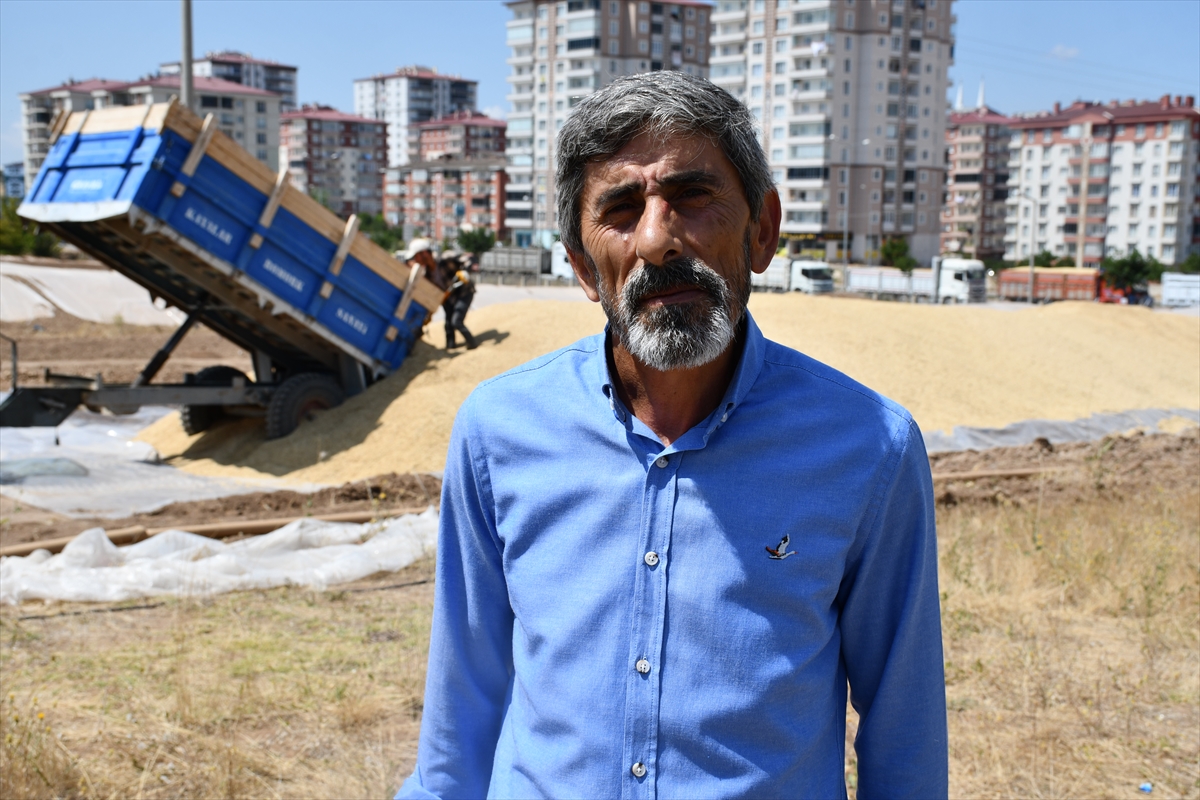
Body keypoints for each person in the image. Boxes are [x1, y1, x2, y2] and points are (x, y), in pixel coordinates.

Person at [398, 72, 947, 799]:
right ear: (582, 266)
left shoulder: (869, 447)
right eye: (621, 210)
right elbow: (459, 716)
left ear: (762, 230)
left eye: (692, 196)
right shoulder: (499, 430)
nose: (658, 240)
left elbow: (905, 735)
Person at [438, 251, 477, 350]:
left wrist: (466, 271)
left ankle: (472, 343)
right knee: (448, 322)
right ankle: (450, 345)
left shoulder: (460, 266)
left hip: (465, 294)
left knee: (456, 321)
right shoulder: (441, 270)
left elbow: (468, 261)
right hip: (450, 297)